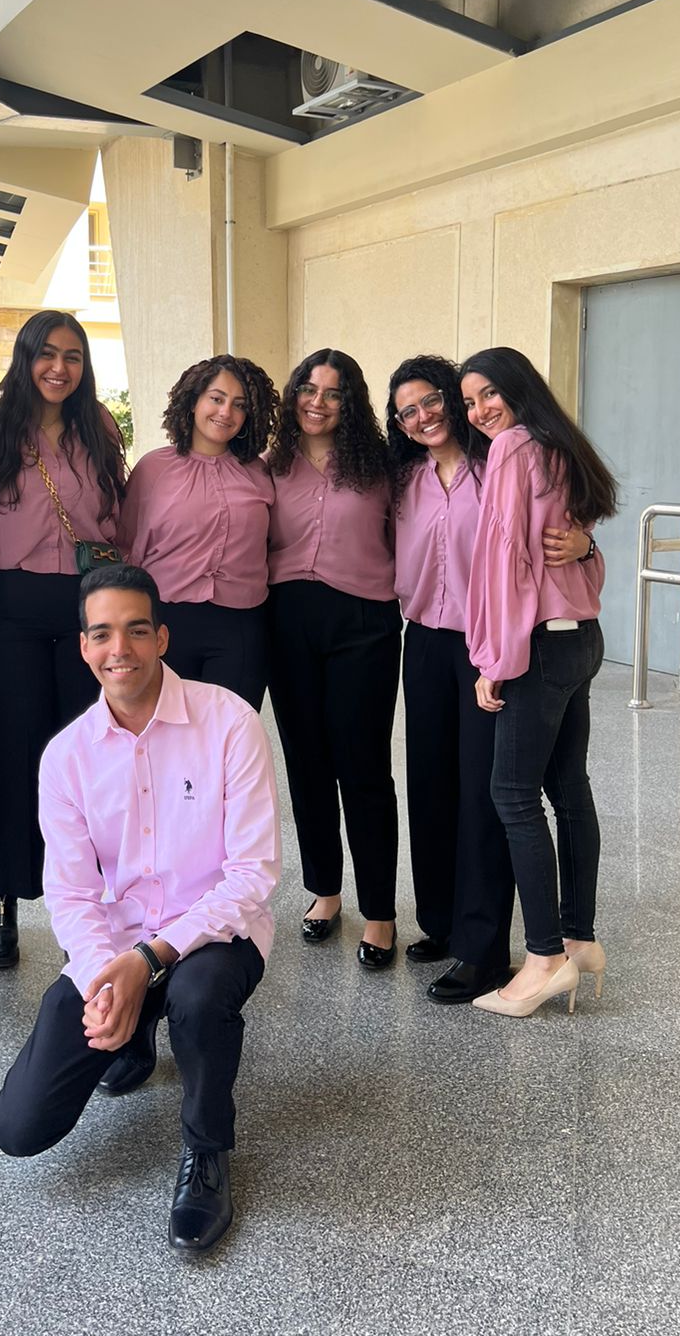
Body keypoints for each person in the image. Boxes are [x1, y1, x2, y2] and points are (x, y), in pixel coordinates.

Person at [0, 565, 280, 1254]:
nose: (118, 648)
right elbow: (71, 893)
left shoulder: (229, 722)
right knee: (19, 1128)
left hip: (216, 933)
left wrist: (146, 960)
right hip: (116, 944)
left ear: (162, 639)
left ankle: (206, 1152)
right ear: (84, 646)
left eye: (136, 630)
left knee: (199, 997)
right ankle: (138, 1028)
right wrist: (104, 978)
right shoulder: (66, 757)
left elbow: (253, 874)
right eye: (101, 634)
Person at [387, 355, 590, 1004]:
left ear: (453, 399)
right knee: (430, 783)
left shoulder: (503, 460)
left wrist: (588, 546)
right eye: (407, 410)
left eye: (432, 401)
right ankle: (442, 922)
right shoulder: (404, 480)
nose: (423, 417)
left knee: (483, 793)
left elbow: (560, 539)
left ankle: (482, 949)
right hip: (422, 639)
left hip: (487, 645)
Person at [459, 347, 617, 1018]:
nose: (479, 410)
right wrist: (588, 549)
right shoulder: (562, 445)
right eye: (470, 402)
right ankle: (580, 938)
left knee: (514, 794)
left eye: (489, 394)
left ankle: (545, 958)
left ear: (519, 389)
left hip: (541, 647)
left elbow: (505, 563)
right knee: (569, 787)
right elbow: (581, 556)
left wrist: (493, 658)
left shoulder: (514, 449)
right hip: (581, 638)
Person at [0, 311, 127, 969]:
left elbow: (117, 518)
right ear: (25, 357)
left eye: (73, 357)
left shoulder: (99, 427)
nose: (59, 369)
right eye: (47, 354)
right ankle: (3, 891)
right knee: (12, 752)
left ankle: (80, 904)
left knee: (85, 759)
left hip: (86, 606)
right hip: (8, 604)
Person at [265, 349, 402, 967]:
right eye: (308, 389)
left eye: (333, 393)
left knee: (364, 767)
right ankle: (324, 890)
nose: (317, 402)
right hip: (286, 621)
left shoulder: (381, 467)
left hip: (363, 625)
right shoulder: (270, 465)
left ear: (351, 403)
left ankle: (380, 911)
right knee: (307, 763)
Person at [118, 355, 277, 710]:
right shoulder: (153, 469)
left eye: (239, 405)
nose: (226, 412)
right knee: (166, 730)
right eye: (216, 398)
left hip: (241, 627)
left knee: (229, 732)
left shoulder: (260, 472)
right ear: (193, 402)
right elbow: (128, 547)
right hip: (166, 622)